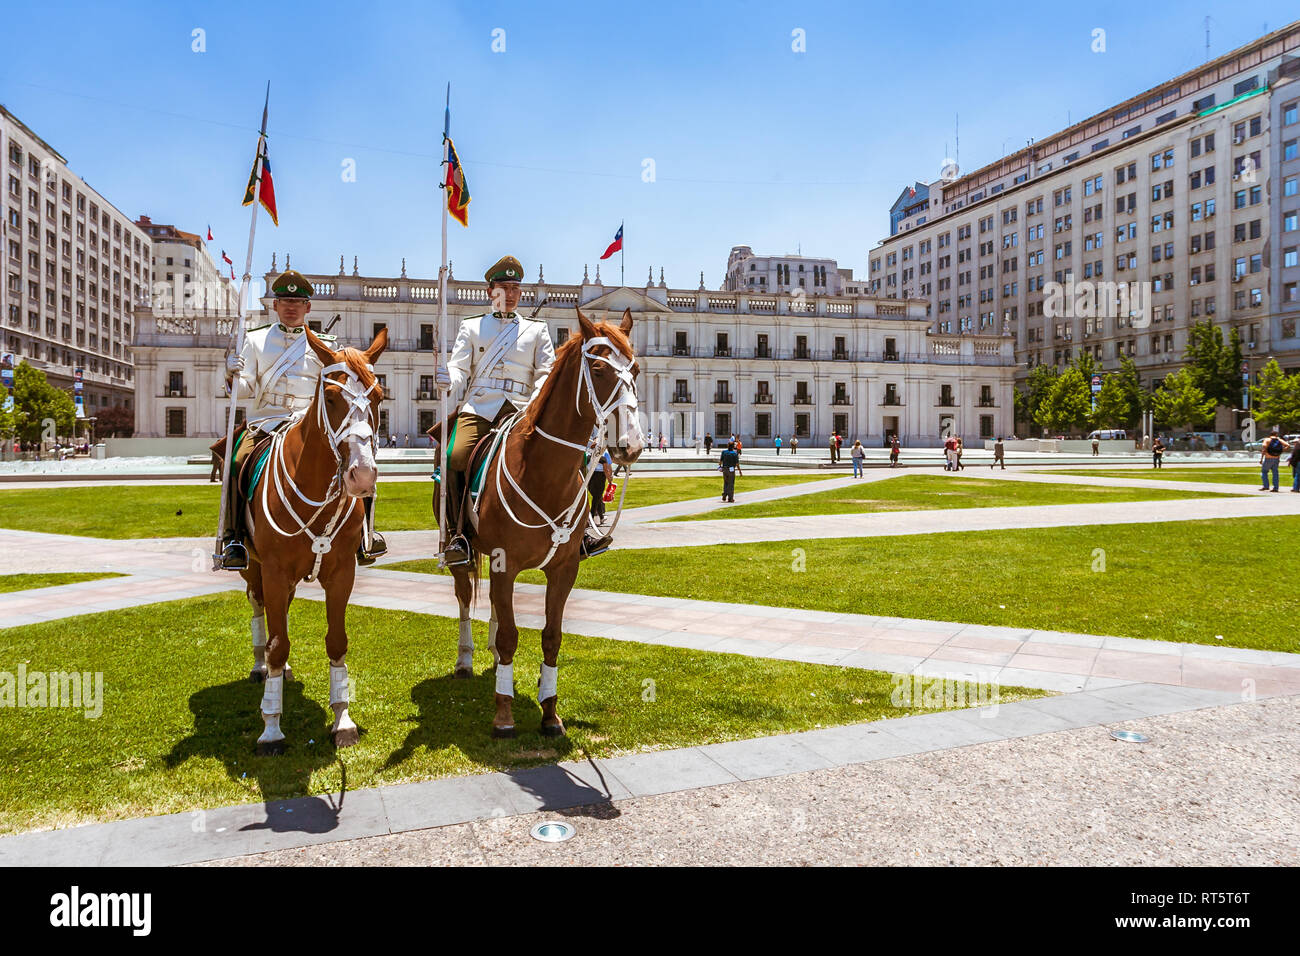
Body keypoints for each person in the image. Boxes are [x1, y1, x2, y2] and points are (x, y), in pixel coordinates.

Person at [219, 269, 387, 570]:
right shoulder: (256, 341)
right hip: (267, 423)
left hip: (307, 424)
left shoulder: (324, 343)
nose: (290, 307)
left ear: (308, 307)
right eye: (284, 301)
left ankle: (366, 534)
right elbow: (245, 390)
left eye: (297, 301)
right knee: (237, 460)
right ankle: (234, 537)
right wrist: (232, 376)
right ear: (275, 305)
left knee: (359, 461)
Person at [436, 255, 556, 565]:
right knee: (454, 457)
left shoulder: (537, 329)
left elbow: (546, 372)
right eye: (505, 287)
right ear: (491, 292)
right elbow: (461, 368)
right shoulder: (472, 326)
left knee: (569, 453)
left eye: (516, 288)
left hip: (521, 409)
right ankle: (459, 534)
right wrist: (449, 376)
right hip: (480, 407)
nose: (512, 293)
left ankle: (574, 529)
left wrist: (534, 405)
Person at [1259, 428, 1292, 492]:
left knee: (1264, 471)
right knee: (1275, 473)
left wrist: (1262, 458)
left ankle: (1266, 486)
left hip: (1268, 458)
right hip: (1276, 458)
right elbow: (1288, 445)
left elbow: (1264, 447)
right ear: (1276, 434)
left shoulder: (1267, 439)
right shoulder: (1279, 440)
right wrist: (1281, 450)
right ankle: (1276, 488)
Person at [588, 449, 613, 523]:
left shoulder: (590, 453)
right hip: (600, 476)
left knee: (597, 496)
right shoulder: (604, 455)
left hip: (590, 475)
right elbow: (607, 468)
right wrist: (609, 479)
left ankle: (601, 517)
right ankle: (591, 517)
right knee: (597, 497)